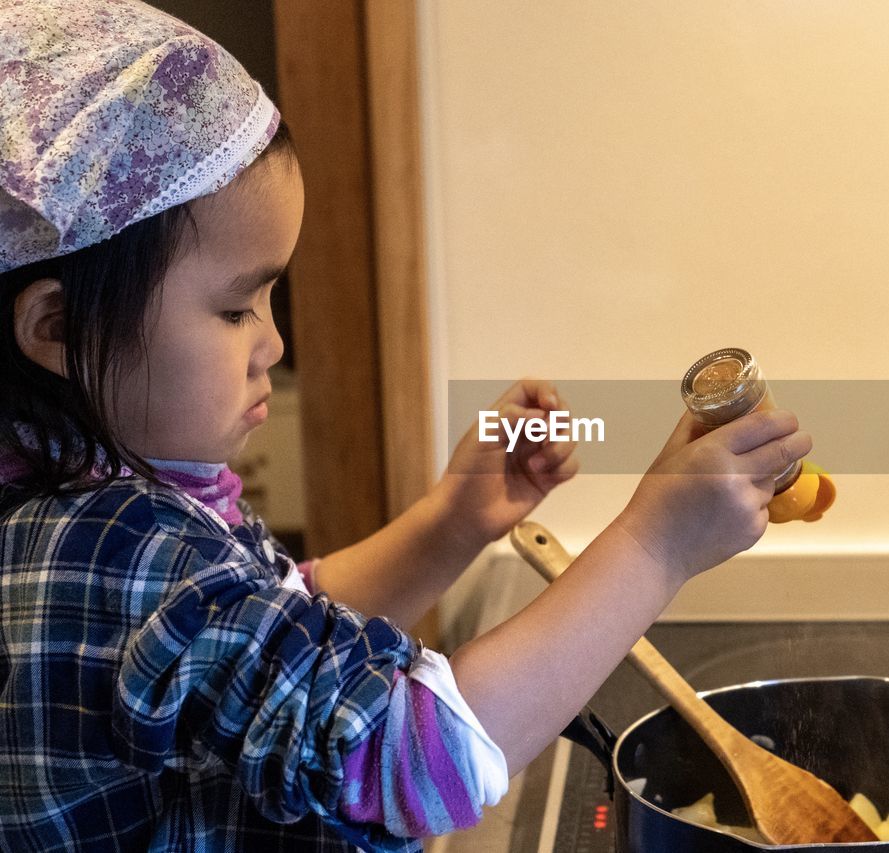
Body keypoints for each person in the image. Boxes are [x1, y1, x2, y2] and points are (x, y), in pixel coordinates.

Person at [0, 2, 812, 851]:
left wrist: (450, 523)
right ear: (56, 328)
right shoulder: (111, 550)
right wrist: (656, 545)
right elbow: (408, 760)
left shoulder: (115, 505)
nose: (272, 343)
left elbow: (277, 636)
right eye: (236, 306)